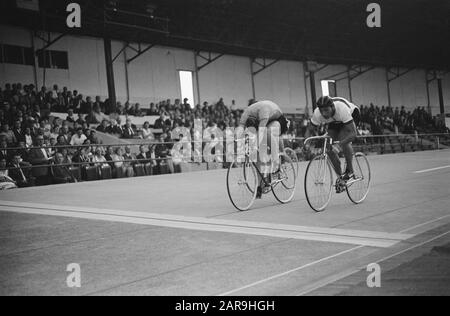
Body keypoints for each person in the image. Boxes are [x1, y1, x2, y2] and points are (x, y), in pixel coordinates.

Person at [237, 100, 291, 198]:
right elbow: (240, 128)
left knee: (269, 132)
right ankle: (259, 186)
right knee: (259, 154)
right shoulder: (245, 114)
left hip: (277, 119)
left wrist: (255, 146)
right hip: (262, 120)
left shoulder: (263, 112)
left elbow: (261, 132)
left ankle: (278, 163)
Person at [310, 96, 360, 193]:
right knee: (328, 146)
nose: (324, 114)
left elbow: (353, 134)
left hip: (351, 114)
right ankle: (340, 177)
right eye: (321, 111)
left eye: (326, 110)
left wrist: (339, 145)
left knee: (343, 138)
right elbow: (309, 130)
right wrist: (308, 143)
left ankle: (350, 170)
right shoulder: (317, 114)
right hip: (334, 120)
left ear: (332, 107)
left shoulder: (342, 109)